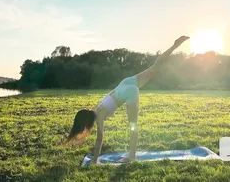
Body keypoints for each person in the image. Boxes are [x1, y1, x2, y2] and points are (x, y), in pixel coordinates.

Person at [65, 35, 190, 164]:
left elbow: (99, 139)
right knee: (155, 67)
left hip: (129, 91)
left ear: (85, 123)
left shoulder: (98, 117)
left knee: (133, 126)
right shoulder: (97, 107)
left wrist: (95, 161)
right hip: (124, 84)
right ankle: (174, 46)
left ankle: (131, 156)